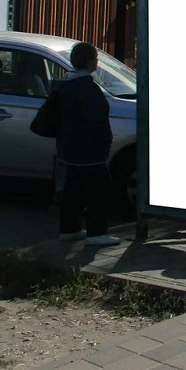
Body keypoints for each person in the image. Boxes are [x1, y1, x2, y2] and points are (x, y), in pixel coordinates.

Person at [57, 42, 120, 246]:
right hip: (89, 149)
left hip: (68, 147)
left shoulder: (65, 85)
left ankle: (69, 228)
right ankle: (97, 232)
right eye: (95, 58)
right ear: (89, 61)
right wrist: (105, 141)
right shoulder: (88, 88)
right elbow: (97, 120)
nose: (97, 62)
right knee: (100, 190)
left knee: (72, 188)